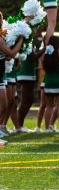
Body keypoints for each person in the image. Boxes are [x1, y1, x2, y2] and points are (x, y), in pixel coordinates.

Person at [0, 13, 26, 143]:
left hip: (1, 74)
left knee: (5, 105)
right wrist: (21, 40)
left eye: (0, 19)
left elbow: (7, 56)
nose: (0, 21)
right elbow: (11, 53)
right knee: (3, 105)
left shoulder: (1, 37)